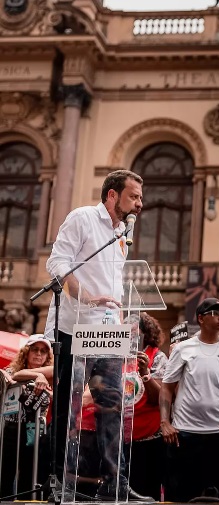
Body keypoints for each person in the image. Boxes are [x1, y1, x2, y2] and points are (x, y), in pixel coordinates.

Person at [44, 170, 147, 501]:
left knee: (112, 407)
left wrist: (121, 320)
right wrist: (87, 296)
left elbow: (115, 284)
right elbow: (58, 265)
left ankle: (115, 485)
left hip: (107, 334)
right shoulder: (83, 219)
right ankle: (58, 481)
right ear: (113, 195)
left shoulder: (122, 234)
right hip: (73, 328)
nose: (140, 204)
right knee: (67, 408)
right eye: (134, 196)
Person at [160, 298, 219, 502]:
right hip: (185, 435)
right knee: (182, 495)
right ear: (200, 318)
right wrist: (165, 422)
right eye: (215, 313)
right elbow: (166, 386)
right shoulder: (183, 349)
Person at [0, 335, 53, 498]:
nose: (39, 354)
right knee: (5, 472)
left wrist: (41, 376)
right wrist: (37, 377)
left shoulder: (52, 372)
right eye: (35, 349)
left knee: (29, 473)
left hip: (35, 428)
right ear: (26, 352)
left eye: (43, 351)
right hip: (11, 426)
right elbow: (8, 374)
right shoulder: (13, 369)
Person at [127, 313, 169, 501]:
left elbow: (159, 398)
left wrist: (145, 373)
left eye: (135, 332)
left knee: (148, 492)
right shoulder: (116, 357)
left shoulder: (158, 357)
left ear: (146, 333)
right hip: (123, 439)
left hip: (150, 437)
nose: (130, 336)